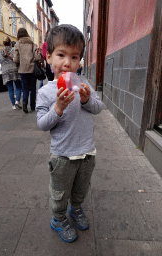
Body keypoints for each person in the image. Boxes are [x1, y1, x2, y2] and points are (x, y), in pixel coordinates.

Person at [36, 24, 103, 243]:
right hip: (63, 156)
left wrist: (86, 100)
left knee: (81, 188)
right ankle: (58, 218)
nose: (67, 62)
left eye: (74, 57)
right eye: (61, 55)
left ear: (80, 60)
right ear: (49, 58)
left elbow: (98, 108)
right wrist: (57, 109)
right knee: (60, 192)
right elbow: (42, 124)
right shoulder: (46, 92)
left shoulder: (83, 84)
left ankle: (77, 209)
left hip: (86, 152)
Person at [13, 28, 36, 113]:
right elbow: (36, 56)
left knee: (25, 88)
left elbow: (15, 59)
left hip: (22, 69)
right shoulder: (32, 43)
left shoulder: (17, 44)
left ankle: (24, 103)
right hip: (32, 68)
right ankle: (33, 105)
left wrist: (18, 64)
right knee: (33, 88)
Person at [0, 36, 22, 110]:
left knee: (10, 89)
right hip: (14, 70)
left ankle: (13, 105)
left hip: (5, 71)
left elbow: (0, 61)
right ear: (10, 42)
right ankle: (17, 101)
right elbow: (16, 59)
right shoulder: (13, 50)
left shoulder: (0, 51)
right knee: (18, 87)